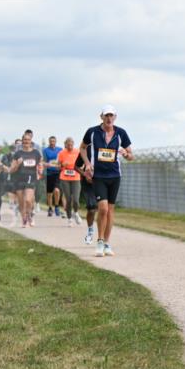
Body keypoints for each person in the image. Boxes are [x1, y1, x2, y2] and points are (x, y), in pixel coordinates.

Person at [80, 106, 133, 256]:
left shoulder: (121, 133)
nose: (109, 118)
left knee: (110, 210)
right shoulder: (92, 132)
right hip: (99, 176)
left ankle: (107, 243)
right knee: (102, 208)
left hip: (115, 176)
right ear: (101, 117)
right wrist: (88, 164)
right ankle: (100, 241)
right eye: (106, 116)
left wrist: (126, 153)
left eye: (112, 116)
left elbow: (131, 155)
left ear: (115, 117)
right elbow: (82, 148)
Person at [9, 131, 43, 227]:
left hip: (31, 178)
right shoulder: (17, 153)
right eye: (24, 140)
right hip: (19, 179)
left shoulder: (36, 153)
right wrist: (18, 164)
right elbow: (11, 170)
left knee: (28, 200)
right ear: (22, 141)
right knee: (21, 201)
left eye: (28, 140)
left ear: (31, 141)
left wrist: (40, 170)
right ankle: (23, 218)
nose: (26, 141)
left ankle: (29, 215)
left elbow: (40, 163)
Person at [56, 137, 82, 226]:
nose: (70, 146)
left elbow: (82, 165)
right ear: (65, 145)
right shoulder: (61, 153)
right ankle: (69, 218)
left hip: (76, 177)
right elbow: (58, 166)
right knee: (68, 199)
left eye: (71, 145)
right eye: (68, 145)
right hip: (65, 178)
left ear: (73, 144)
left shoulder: (77, 152)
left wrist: (81, 168)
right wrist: (62, 164)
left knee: (76, 199)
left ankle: (76, 212)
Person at [43, 135, 62, 217]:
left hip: (58, 173)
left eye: (53, 141)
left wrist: (60, 165)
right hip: (49, 173)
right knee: (49, 193)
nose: (52, 143)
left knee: (57, 190)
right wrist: (47, 164)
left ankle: (57, 207)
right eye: (51, 141)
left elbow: (62, 160)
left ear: (56, 141)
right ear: (49, 142)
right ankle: (50, 208)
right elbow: (42, 162)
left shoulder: (60, 149)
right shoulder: (45, 150)